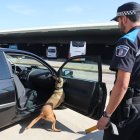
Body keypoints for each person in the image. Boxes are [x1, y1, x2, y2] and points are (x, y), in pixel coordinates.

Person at [96, 2, 140, 140]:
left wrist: (106, 115)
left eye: (118, 20)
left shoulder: (128, 40)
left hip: (128, 109)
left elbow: (122, 84)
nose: (118, 24)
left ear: (124, 19)